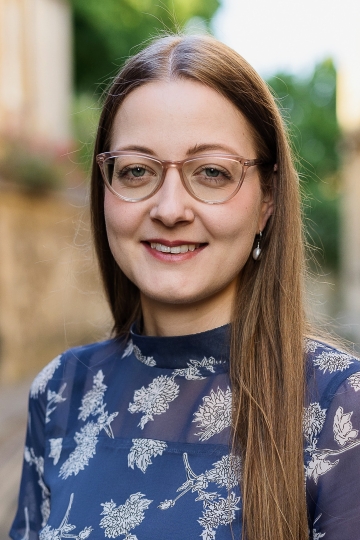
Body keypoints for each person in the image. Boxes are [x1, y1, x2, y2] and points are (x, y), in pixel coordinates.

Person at [10, 34, 360, 540]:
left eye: (212, 173)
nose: (170, 209)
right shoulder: (62, 393)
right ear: (104, 191)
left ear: (268, 200)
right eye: (136, 170)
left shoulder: (338, 407)